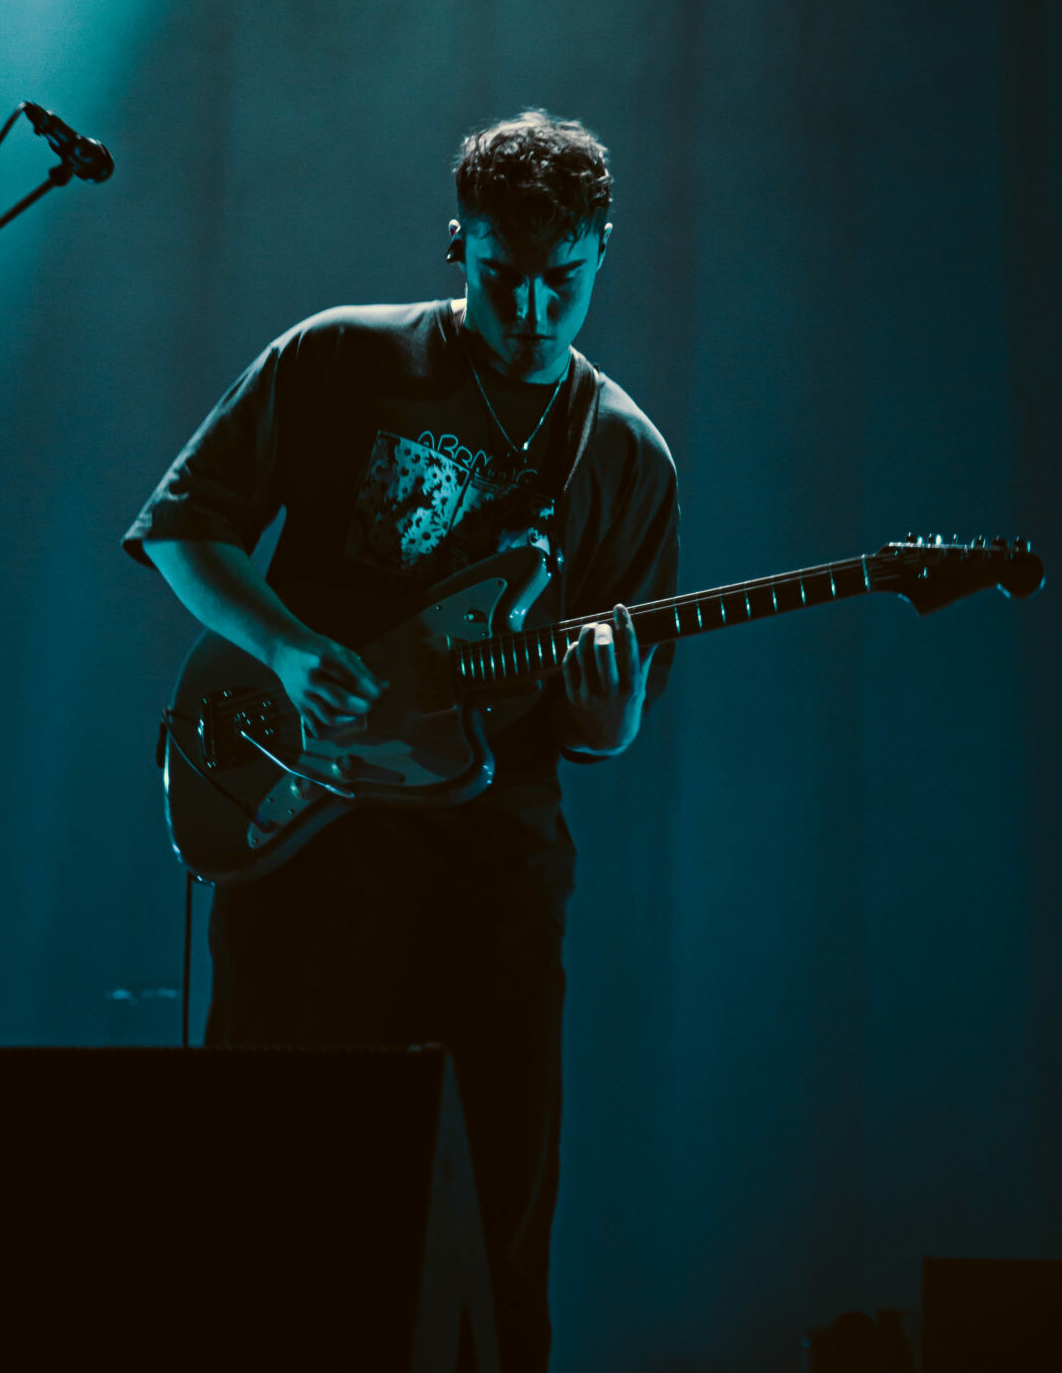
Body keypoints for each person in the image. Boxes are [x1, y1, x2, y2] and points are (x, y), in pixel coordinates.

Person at [126, 111, 679, 1372]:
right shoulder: (339, 358)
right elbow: (184, 529)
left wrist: (603, 692)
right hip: (307, 831)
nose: (533, 308)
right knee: (266, 1178)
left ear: (604, 249)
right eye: (501, 275)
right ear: (458, 246)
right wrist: (283, 645)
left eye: (564, 278)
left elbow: (606, 732)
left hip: (493, 861)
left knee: (496, 1191)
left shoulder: (627, 457)